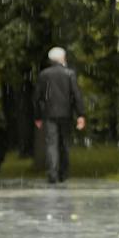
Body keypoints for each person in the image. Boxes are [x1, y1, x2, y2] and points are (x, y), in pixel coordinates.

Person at [34, 47, 85, 184]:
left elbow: (38, 97)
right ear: (62, 58)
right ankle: (63, 173)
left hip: (49, 114)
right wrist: (80, 114)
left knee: (51, 144)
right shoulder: (69, 74)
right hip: (66, 113)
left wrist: (38, 116)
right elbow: (76, 95)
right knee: (64, 143)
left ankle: (52, 173)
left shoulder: (44, 75)